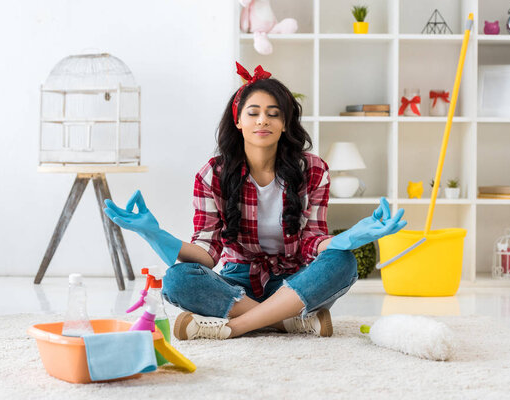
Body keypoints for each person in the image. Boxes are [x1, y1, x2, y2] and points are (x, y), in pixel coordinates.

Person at [103, 62, 406, 341]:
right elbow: (208, 253)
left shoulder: (312, 170)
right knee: (177, 279)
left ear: (285, 124)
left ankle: (235, 327)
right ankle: (285, 321)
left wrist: (348, 238)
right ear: (238, 120)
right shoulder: (212, 174)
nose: (263, 120)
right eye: (254, 112)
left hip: (296, 282)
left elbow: (311, 242)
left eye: (274, 113)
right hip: (238, 284)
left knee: (342, 261)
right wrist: (155, 234)